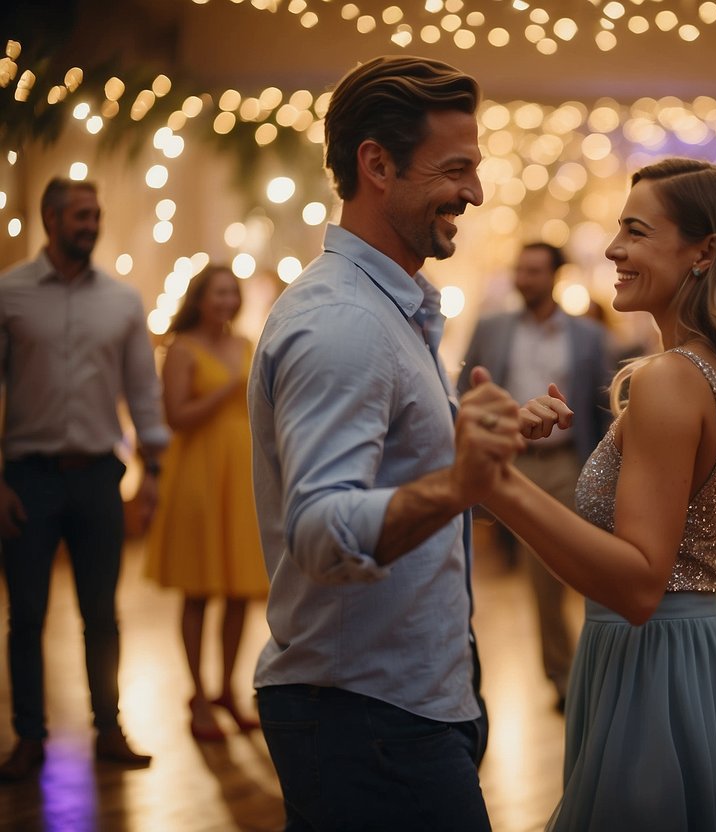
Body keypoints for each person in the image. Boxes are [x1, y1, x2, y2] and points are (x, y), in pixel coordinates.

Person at [481, 157, 716, 830]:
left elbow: (639, 584)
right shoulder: (698, 370)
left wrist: (494, 483)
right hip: (670, 655)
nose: (613, 249)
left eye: (634, 231)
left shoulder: (671, 378)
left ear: (704, 251)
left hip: (655, 670)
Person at [247, 56, 523, 829]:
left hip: (404, 701)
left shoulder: (387, 308)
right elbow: (319, 531)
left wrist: (479, 443)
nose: (473, 192)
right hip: (362, 716)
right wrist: (458, 485)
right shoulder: (343, 323)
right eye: (455, 169)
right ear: (376, 163)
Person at [0, 178, 166, 781]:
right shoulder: (9, 294)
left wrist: (153, 470)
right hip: (28, 479)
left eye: (95, 215)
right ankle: (29, 739)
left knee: (103, 611)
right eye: (79, 216)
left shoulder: (122, 301)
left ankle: (109, 728)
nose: (90, 225)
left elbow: (144, 393)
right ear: (49, 219)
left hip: (98, 476)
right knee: (26, 616)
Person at [457, 242, 613, 711]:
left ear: (554, 276)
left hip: (569, 461)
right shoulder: (492, 327)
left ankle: (602, 669)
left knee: (591, 568)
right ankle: (564, 679)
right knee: (540, 578)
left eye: (533, 271)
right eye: (519, 270)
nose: (523, 278)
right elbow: (466, 391)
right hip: (511, 463)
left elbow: (602, 403)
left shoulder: (586, 335)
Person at [143, 264, 267, 741]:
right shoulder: (182, 350)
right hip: (197, 475)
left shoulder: (244, 345)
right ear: (199, 299)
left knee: (238, 590)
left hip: (240, 478)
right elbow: (176, 416)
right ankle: (196, 693)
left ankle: (227, 690)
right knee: (199, 589)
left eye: (231, 295)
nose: (226, 303)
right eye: (218, 294)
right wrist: (224, 391)